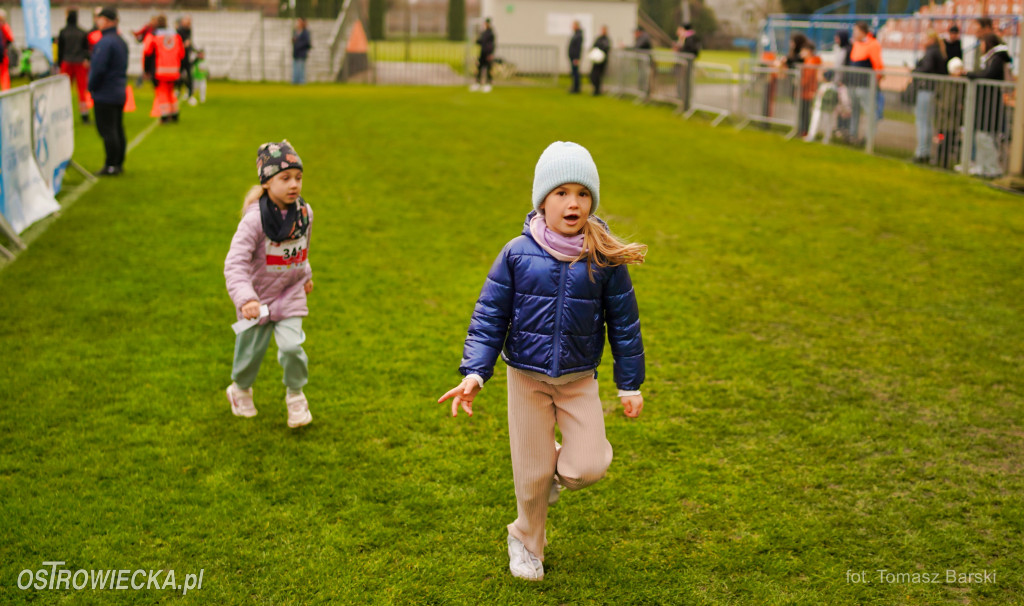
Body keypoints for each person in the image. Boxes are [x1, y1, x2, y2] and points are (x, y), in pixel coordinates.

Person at [438, 141, 647, 582]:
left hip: (578, 380)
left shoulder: (603, 257)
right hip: (526, 378)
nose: (573, 203)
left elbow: (625, 324)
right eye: (561, 192)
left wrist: (629, 384)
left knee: (587, 466)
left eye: (582, 193)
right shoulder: (516, 252)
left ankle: (552, 468)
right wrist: (475, 371)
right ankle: (526, 540)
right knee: (530, 478)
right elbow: (489, 316)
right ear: (542, 200)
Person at [225, 140, 314, 429]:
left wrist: (306, 275)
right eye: (285, 178)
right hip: (257, 300)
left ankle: (296, 396)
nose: (294, 185)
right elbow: (235, 263)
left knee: (291, 348)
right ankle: (240, 389)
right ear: (266, 182)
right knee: (249, 356)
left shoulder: (305, 214)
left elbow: (302, 248)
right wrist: (246, 299)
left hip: (290, 294)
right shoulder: (253, 221)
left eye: (298, 178)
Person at [87, 6, 127, 176]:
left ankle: (111, 164)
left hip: (106, 92)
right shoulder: (120, 40)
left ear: (108, 21)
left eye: (100, 18)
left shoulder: (105, 42)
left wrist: (92, 86)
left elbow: (98, 68)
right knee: (117, 128)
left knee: (108, 130)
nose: (97, 21)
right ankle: (117, 162)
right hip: (118, 90)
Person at [965, 33, 1011, 178]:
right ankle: (982, 167)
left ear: (989, 43)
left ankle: (992, 168)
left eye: (983, 43)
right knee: (981, 137)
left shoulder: (996, 59)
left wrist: (970, 74)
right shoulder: (991, 58)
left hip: (990, 104)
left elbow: (988, 75)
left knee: (986, 138)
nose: (981, 47)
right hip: (986, 103)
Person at [911, 31, 947, 163]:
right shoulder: (937, 51)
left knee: (922, 122)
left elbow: (926, 68)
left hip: (927, 90)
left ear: (931, 39)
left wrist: (915, 71)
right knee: (926, 122)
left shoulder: (932, 52)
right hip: (932, 91)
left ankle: (922, 152)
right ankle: (924, 151)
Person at [142, 15, 184, 123]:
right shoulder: (176, 35)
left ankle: (164, 115)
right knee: (171, 91)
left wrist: (146, 70)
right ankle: (174, 113)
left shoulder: (153, 35)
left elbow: (147, 52)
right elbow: (182, 53)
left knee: (162, 92)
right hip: (174, 70)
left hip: (160, 70)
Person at [848, 21, 884, 145]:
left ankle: (868, 139)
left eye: (856, 31)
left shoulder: (873, 44)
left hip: (866, 85)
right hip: (854, 83)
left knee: (871, 112)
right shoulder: (856, 44)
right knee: (855, 111)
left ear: (862, 31)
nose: (853, 33)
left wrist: (877, 81)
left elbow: (878, 65)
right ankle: (852, 135)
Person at [58, 8, 92, 123]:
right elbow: (86, 49)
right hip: (79, 63)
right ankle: (84, 115)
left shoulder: (63, 32)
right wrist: (86, 59)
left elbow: (60, 50)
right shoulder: (82, 32)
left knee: (63, 89)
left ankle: (61, 114)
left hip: (66, 62)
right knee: (82, 89)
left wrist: (59, 64)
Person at [798, 42, 822, 137]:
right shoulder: (809, 61)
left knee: (805, 112)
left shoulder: (811, 62)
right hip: (807, 90)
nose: (801, 53)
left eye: (803, 50)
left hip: (808, 91)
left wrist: (800, 84)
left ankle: (805, 131)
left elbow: (808, 77)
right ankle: (803, 130)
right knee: (805, 111)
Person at [471, 18, 495, 92]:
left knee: (488, 69)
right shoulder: (483, 33)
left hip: (488, 53)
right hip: (482, 53)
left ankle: (488, 84)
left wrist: (490, 54)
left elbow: (492, 44)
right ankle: (477, 83)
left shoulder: (491, 33)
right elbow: (481, 42)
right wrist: (476, 40)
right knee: (479, 68)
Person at [177, 15, 195, 103]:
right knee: (179, 76)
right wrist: (184, 45)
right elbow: (177, 44)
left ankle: (190, 94)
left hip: (187, 57)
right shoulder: (179, 31)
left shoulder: (189, 30)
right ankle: (178, 91)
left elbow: (190, 43)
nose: (189, 24)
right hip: (180, 57)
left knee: (189, 76)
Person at [589, 25, 610, 96]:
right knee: (592, 75)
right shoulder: (598, 38)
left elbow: (606, 48)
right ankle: (595, 88)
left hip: (602, 61)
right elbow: (594, 46)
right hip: (595, 61)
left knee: (598, 76)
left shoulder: (606, 40)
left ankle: (597, 90)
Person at [292, 18, 311, 85]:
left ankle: (301, 82)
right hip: (296, 53)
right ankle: (295, 81)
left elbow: (307, 43)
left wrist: (298, 45)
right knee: (295, 69)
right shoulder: (295, 32)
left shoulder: (305, 32)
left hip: (302, 53)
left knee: (301, 69)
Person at [0, 10, 16, 90]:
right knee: (4, 75)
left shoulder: (5, 27)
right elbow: (11, 38)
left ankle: (6, 90)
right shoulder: (5, 27)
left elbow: (10, 38)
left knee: (4, 75)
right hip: (3, 54)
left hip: (3, 55)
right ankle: (5, 90)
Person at [568, 21, 583, 94]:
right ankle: (574, 87)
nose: (572, 27)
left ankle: (576, 88)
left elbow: (578, 48)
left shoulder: (579, 35)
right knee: (574, 73)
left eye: (573, 25)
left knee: (576, 73)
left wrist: (577, 58)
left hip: (575, 57)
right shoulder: (575, 34)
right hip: (572, 57)